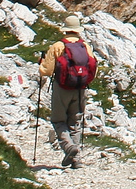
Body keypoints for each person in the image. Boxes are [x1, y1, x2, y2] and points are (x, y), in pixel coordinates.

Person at [38, 14, 97, 168]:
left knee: (58, 120)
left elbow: (46, 71)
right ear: (78, 30)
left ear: (65, 30)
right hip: (80, 89)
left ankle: (69, 148)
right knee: (76, 122)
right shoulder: (85, 46)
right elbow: (93, 69)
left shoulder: (58, 46)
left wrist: (41, 63)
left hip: (62, 88)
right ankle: (76, 160)